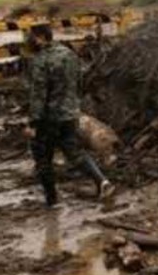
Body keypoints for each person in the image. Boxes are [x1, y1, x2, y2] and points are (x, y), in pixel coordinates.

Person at [24, 24, 112, 207]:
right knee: (74, 151)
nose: (27, 40)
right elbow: (80, 82)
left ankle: (51, 200)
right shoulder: (69, 54)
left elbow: (38, 94)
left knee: (42, 157)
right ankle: (102, 181)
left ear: (40, 38)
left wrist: (32, 122)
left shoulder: (40, 60)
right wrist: (73, 106)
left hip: (48, 118)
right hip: (70, 114)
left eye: (30, 36)